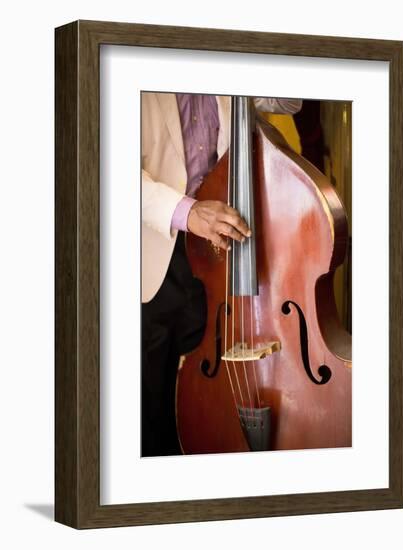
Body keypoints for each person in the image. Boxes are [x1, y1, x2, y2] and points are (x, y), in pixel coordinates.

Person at [141, 92, 302, 457]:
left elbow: (290, 102)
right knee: (147, 402)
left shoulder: (227, 70)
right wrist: (189, 212)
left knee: (208, 388)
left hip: (220, 257)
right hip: (150, 254)